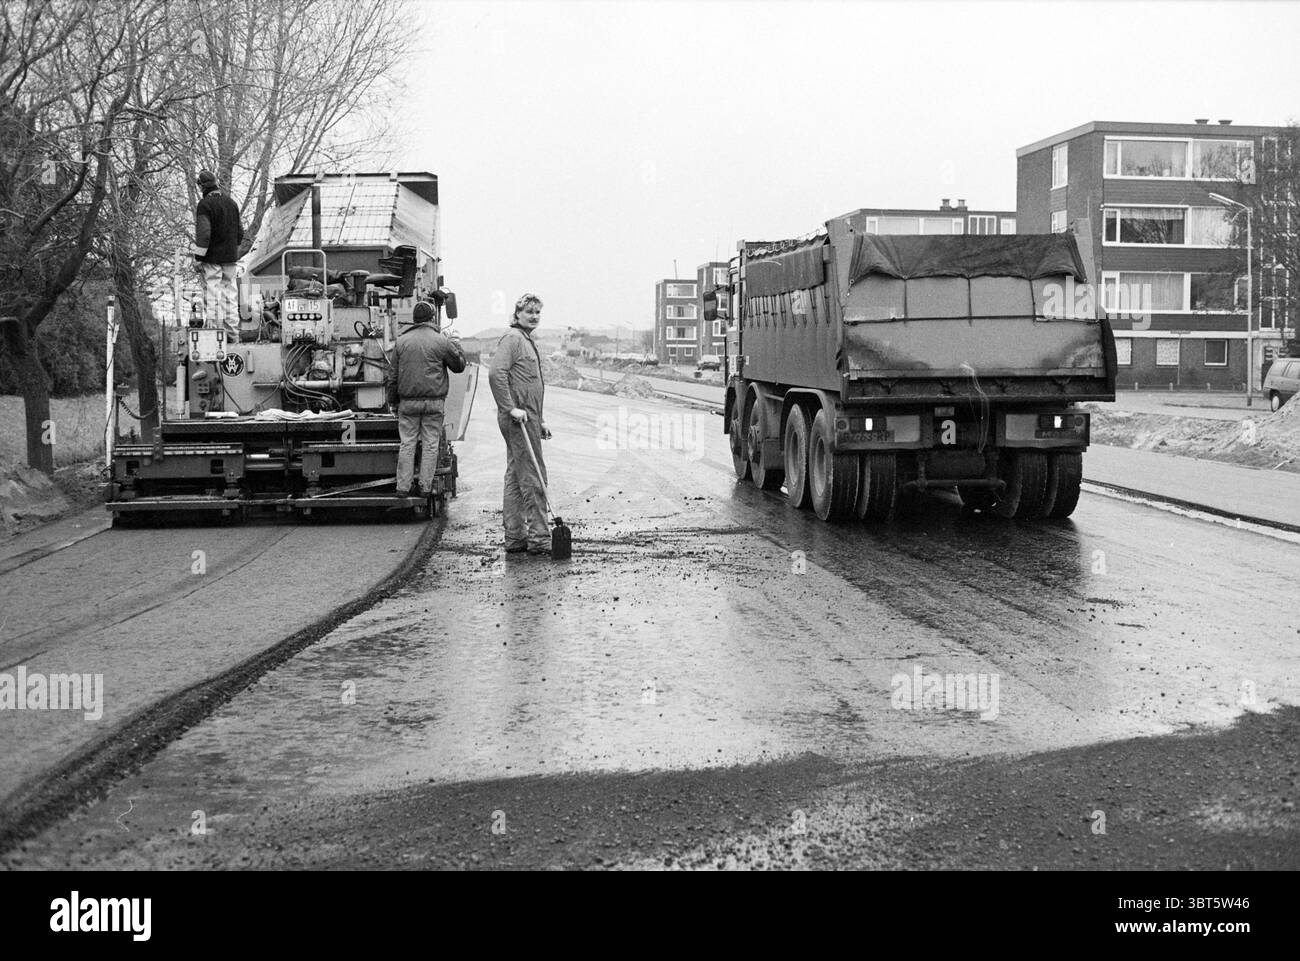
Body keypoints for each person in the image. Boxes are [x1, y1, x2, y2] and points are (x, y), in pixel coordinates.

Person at [488, 293, 552, 554]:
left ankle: (516, 538)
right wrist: (510, 408)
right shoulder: (513, 339)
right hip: (518, 419)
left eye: (537, 312)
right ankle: (540, 538)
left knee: (516, 476)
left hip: (529, 417)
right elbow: (496, 373)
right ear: (517, 315)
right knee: (534, 476)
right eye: (529, 312)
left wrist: (541, 420)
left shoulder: (527, 340)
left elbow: (528, 383)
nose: (534, 316)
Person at [387, 300, 467, 496]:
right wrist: (456, 344)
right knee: (430, 444)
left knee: (407, 443)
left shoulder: (401, 342)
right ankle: (425, 487)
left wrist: (393, 402)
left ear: (414, 319)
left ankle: (403, 488)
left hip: (407, 402)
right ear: (432, 318)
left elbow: (393, 377)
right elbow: (459, 366)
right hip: (434, 402)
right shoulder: (441, 340)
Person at [192, 169, 245, 334]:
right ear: (216, 183)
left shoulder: (204, 205)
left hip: (212, 260)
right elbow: (240, 233)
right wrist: (231, 248)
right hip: (230, 259)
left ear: (201, 186)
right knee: (230, 296)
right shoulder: (232, 203)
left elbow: (204, 234)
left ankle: (213, 333)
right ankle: (232, 334)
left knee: (213, 294)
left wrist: (198, 257)